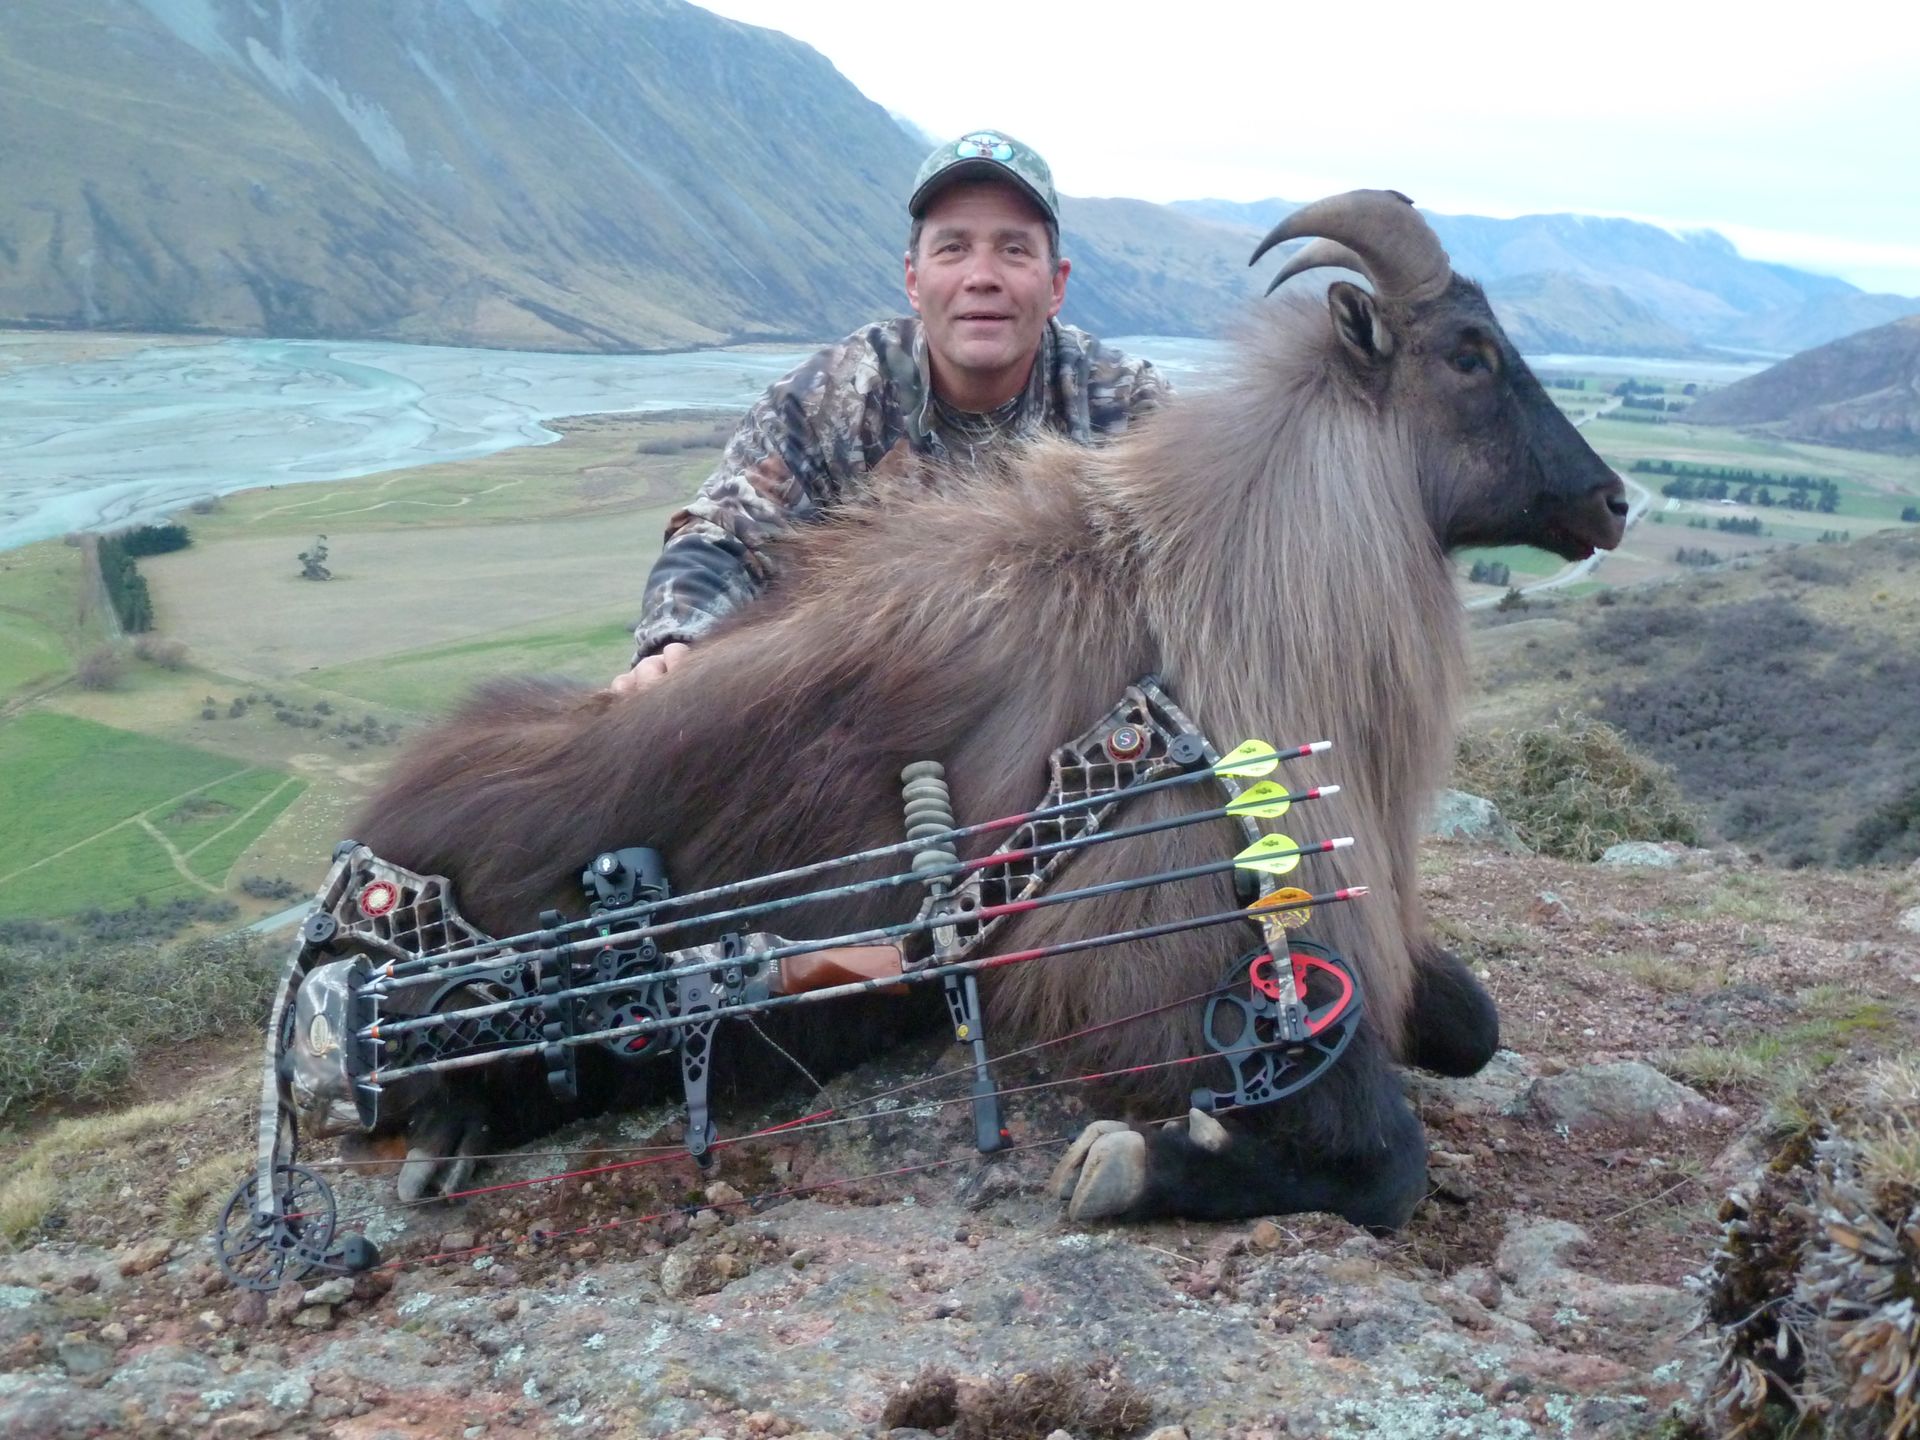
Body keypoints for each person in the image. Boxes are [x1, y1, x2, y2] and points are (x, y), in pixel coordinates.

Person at [615, 129, 1171, 693]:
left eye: (1014, 249)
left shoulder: (1130, 407)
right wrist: (674, 640)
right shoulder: (830, 396)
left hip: (1074, 705)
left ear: (1056, 285)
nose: (981, 276)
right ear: (913, 279)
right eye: (953, 248)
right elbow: (725, 535)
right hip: (879, 710)